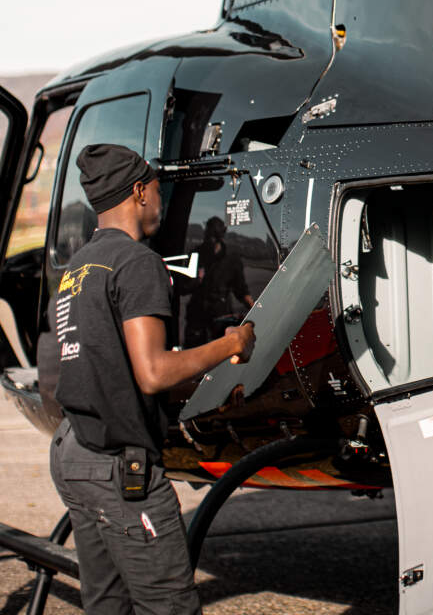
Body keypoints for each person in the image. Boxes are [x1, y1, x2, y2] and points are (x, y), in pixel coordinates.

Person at [48, 143, 255, 615]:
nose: (161, 201)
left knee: (107, 602)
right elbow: (153, 372)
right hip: (119, 468)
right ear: (140, 192)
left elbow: (110, 368)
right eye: (159, 190)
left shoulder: (78, 267)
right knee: (169, 605)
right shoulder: (138, 262)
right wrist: (231, 345)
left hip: (75, 451)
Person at [181, 216, 255, 347]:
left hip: (221, 318)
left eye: (214, 235)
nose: (210, 239)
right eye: (208, 234)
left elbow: (241, 290)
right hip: (197, 316)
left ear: (220, 236)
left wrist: (255, 309)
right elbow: (183, 288)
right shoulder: (196, 255)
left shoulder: (232, 259)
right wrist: (196, 281)